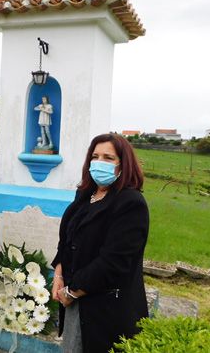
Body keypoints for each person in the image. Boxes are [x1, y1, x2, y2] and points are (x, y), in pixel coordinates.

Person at [51, 133, 149, 353]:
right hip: (76, 300)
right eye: (95, 156)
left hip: (106, 307)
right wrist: (59, 273)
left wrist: (72, 291)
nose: (99, 163)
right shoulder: (85, 195)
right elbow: (67, 240)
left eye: (108, 158)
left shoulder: (130, 203)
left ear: (123, 164)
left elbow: (114, 262)